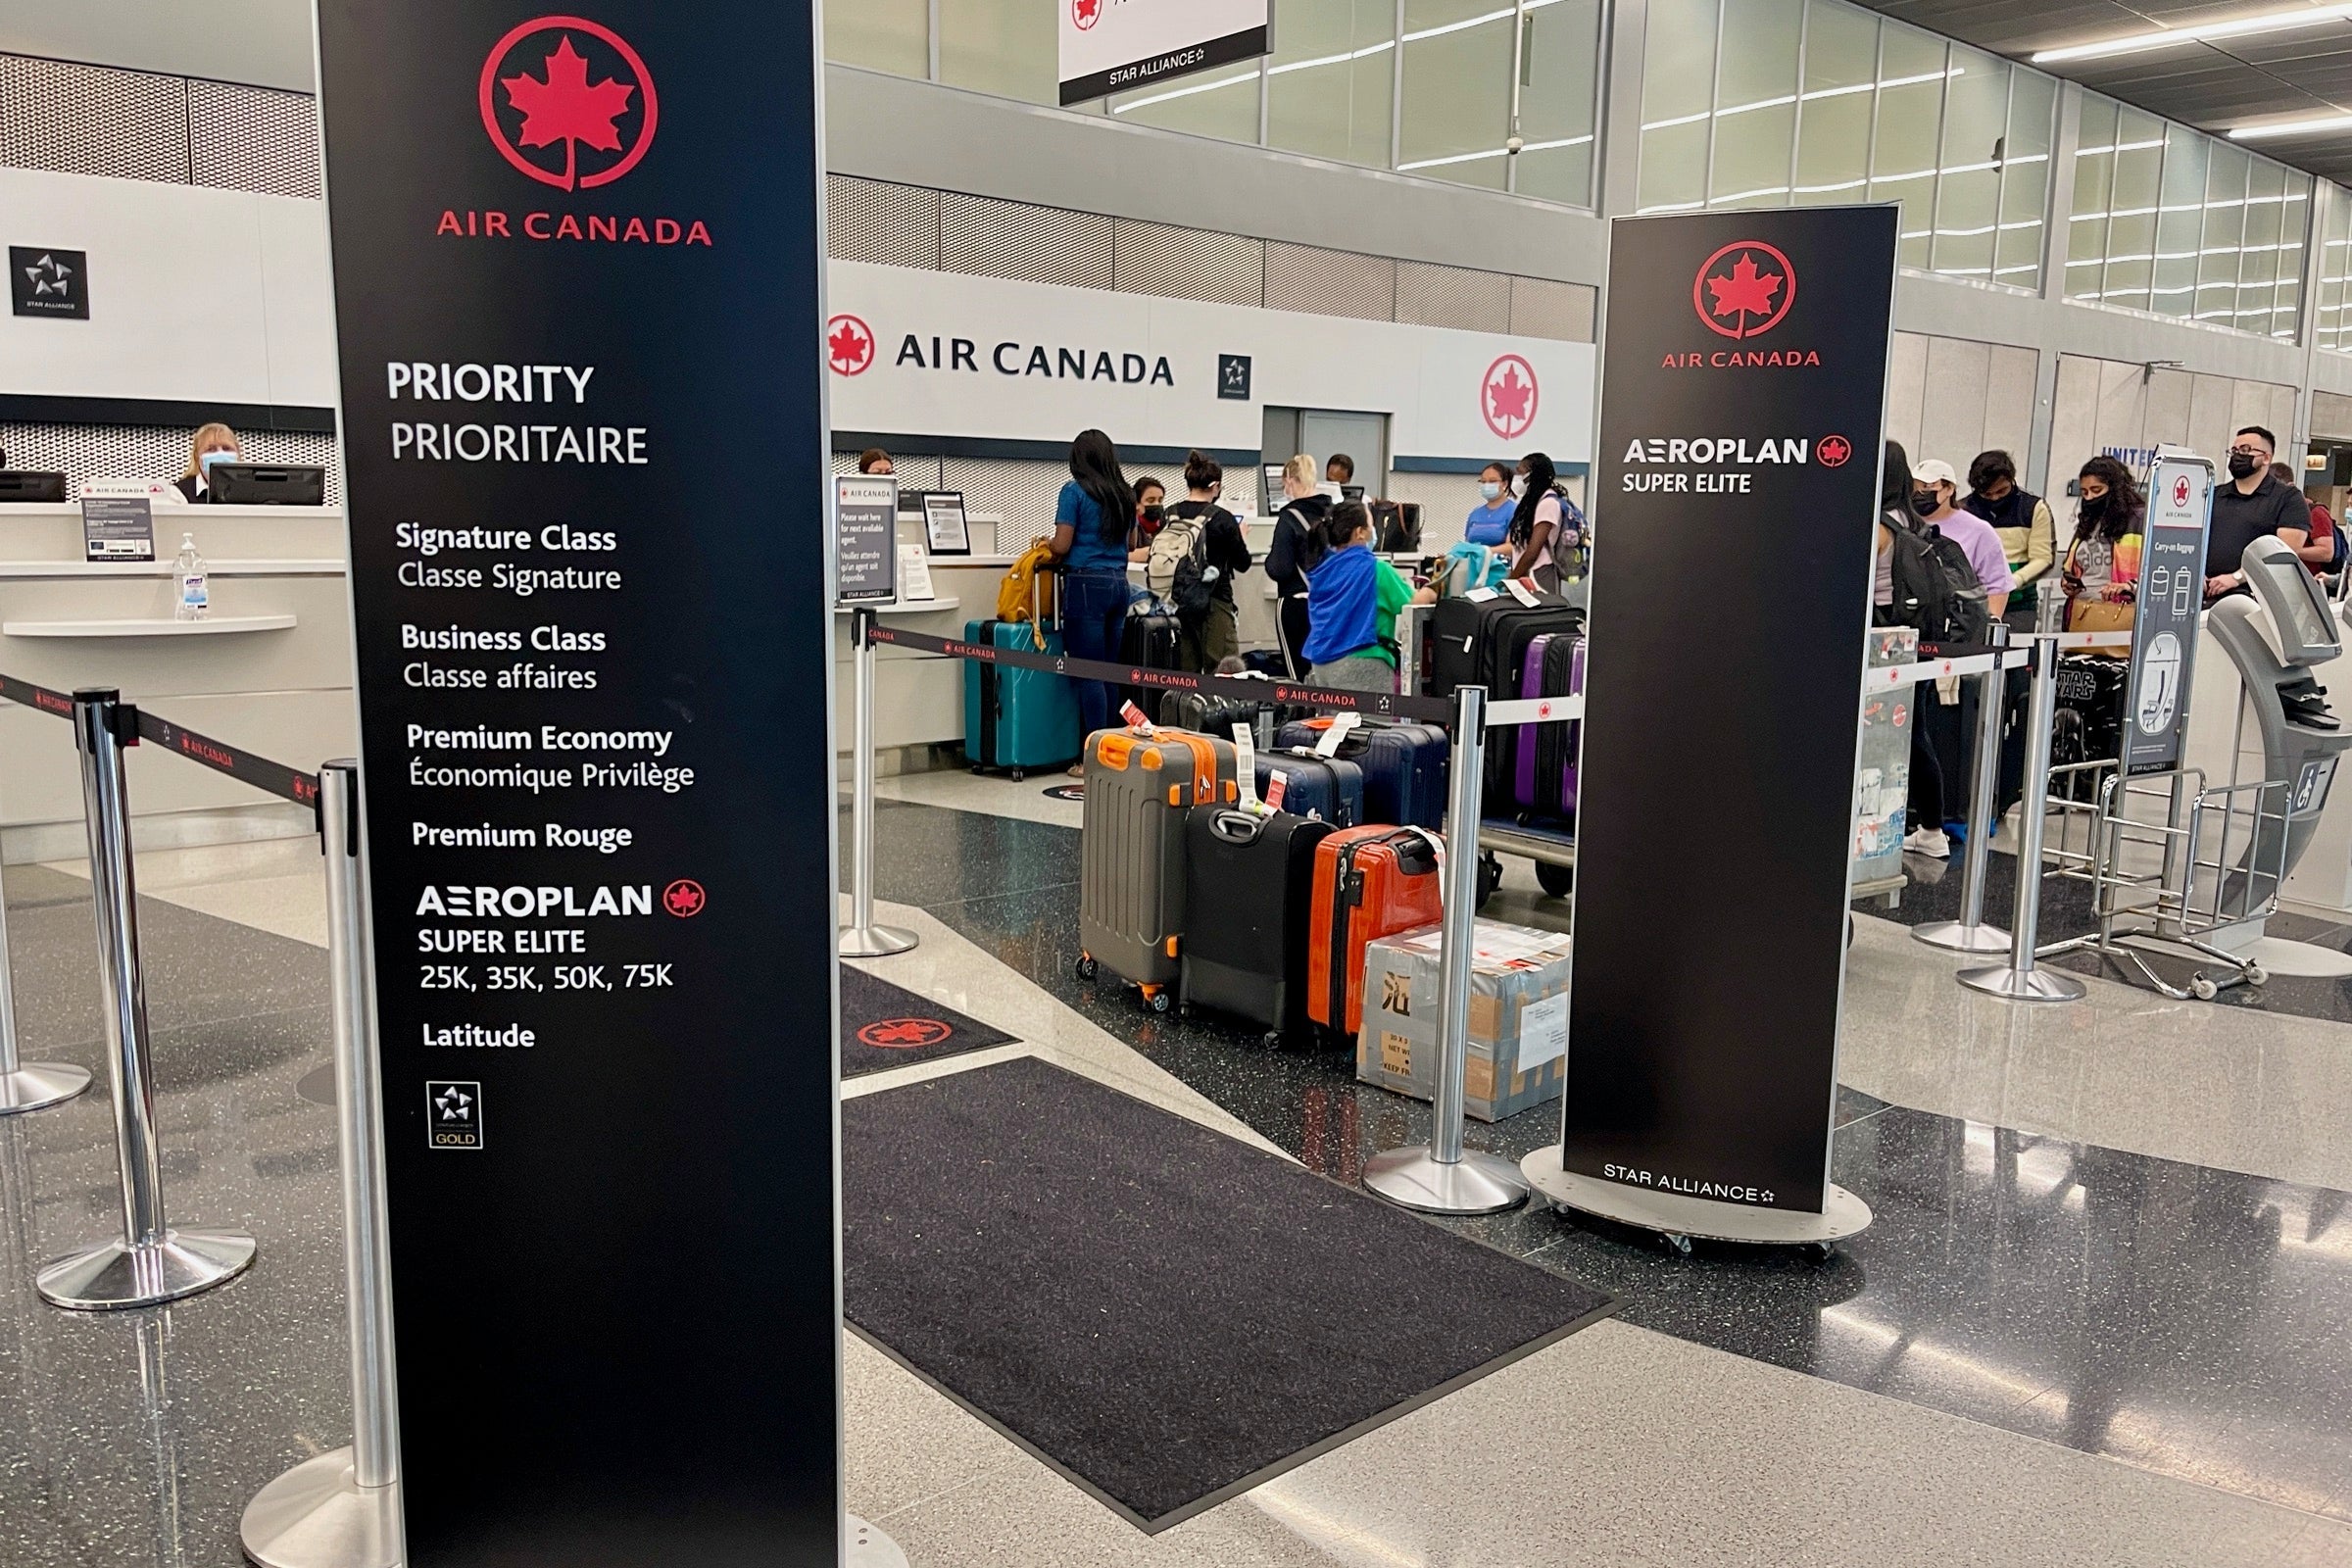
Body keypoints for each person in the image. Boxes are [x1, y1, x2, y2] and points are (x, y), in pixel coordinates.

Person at [1049, 429, 1139, 769]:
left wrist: (1045, 542)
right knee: (1107, 672)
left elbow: (1062, 544)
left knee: (1088, 674)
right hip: (1119, 584)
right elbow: (1130, 544)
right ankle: (1115, 751)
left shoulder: (1073, 492)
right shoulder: (1125, 494)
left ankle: (1094, 759)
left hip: (1086, 584)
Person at [1874, 443, 1948, 857]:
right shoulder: (1914, 521)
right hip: (1913, 640)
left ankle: (1874, 829)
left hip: (1879, 641)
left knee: (1877, 738)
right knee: (1914, 732)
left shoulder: (1876, 525)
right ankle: (1932, 830)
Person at [1299, 502, 1436, 691]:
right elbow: (1411, 604)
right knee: (1370, 721)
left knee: (1333, 720)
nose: (1374, 531)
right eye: (1371, 525)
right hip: (1362, 664)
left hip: (1322, 666)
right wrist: (1432, 590)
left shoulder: (1322, 571)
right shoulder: (1375, 569)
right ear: (1360, 532)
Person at [1163, 451, 1252, 669]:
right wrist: (1240, 536)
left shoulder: (1168, 514)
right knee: (1223, 670)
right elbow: (1243, 563)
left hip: (1177, 602)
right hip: (1215, 601)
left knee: (1184, 674)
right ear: (1216, 486)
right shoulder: (1223, 518)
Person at [2205, 426, 2309, 600]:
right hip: (2205, 593)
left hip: (2255, 597)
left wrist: (2237, 578)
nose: (2238, 455)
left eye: (2245, 450)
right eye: (2234, 451)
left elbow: (2285, 551)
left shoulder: (2287, 499)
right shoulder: (2214, 495)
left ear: (2266, 458)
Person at [1962, 450, 2054, 633]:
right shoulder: (1963, 510)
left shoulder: (2034, 508)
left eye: (2002, 491)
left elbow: (2043, 558)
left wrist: (2011, 582)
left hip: (2019, 606)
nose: (1995, 498)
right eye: (1987, 494)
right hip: (1972, 604)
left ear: (2012, 480)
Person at [1914, 460, 2013, 620]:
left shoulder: (1979, 530)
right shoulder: (1903, 523)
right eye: (1914, 487)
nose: (1919, 493)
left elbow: (1997, 584)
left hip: (1959, 623)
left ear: (1949, 489)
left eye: (1927, 486)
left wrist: (1987, 627)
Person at [1265, 454, 1332, 677]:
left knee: (1298, 675)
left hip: (1297, 603)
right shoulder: (1333, 514)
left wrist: (1269, 558)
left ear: (1291, 481)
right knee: (1324, 672)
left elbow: (1279, 568)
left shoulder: (1289, 517)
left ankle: (1303, 712)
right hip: (1330, 601)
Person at [1503, 452, 1573, 590]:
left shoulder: (1548, 503)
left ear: (1532, 475)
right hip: (1525, 575)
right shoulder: (1531, 503)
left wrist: (1510, 582)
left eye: (1520, 472)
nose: (1516, 478)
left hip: (1539, 576)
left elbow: (1533, 551)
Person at [2274, 461, 2338, 576]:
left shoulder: (2315, 512)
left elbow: (2326, 552)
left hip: (2310, 580)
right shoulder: (2277, 512)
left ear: (2290, 486)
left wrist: (2290, 551)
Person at [172, 422, 242, 504]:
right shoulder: (178, 494)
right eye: (211, 449)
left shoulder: (249, 489)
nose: (220, 453)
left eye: (226, 448)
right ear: (197, 456)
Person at [1464, 462, 1515, 547]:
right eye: (1483, 482)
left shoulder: (1514, 511)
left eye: (1492, 481)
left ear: (1505, 484)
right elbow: (1467, 544)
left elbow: (1513, 547)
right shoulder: (1475, 513)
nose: (1487, 485)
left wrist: (1484, 552)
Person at [1128, 476, 1166, 556]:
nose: (1156, 504)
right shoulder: (1129, 528)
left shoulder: (1166, 527)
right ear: (1137, 503)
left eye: (1160, 500)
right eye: (1150, 500)